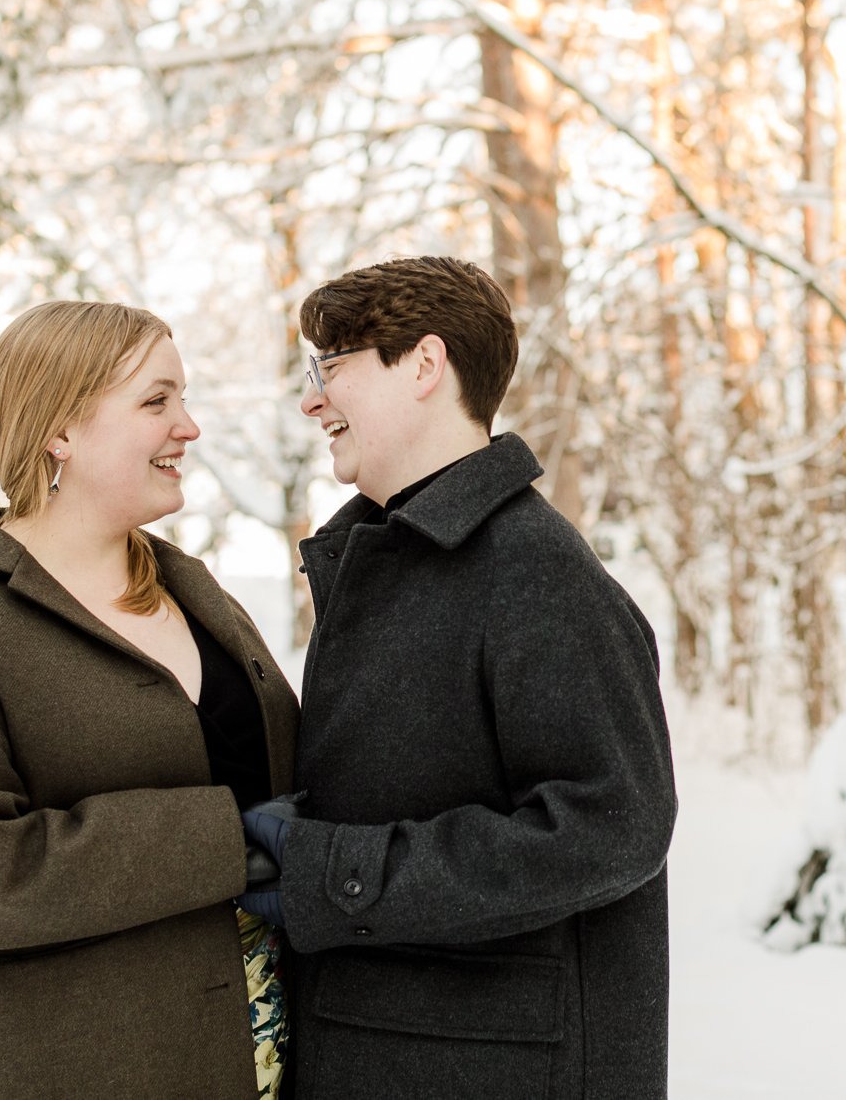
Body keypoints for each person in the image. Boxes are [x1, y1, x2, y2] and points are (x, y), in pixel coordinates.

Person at [238, 256, 679, 1100]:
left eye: (330, 369)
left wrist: (337, 870)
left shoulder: (533, 570)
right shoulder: (393, 559)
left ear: (426, 365)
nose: (310, 400)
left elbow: (612, 824)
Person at [0, 300, 300, 1100]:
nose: (189, 426)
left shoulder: (200, 597)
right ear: (60, 428)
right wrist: (226, 839)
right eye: (156, 400)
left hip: (258, 1060)